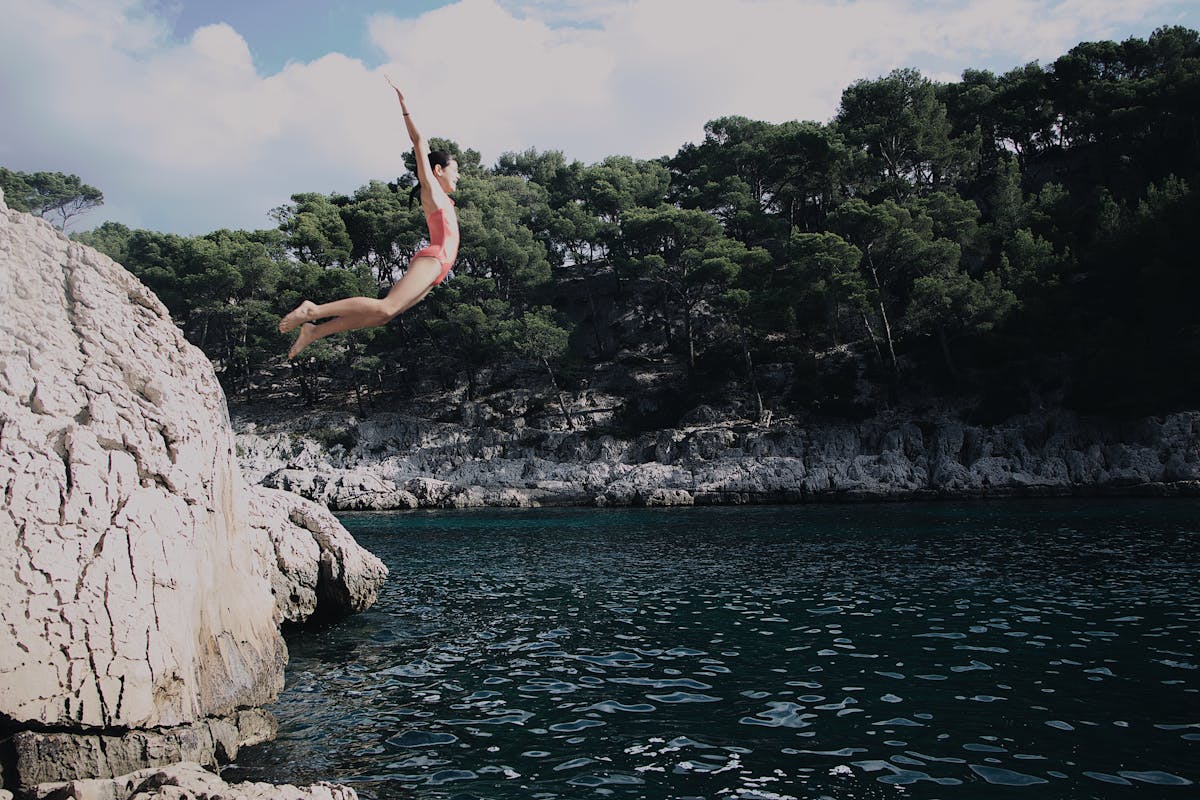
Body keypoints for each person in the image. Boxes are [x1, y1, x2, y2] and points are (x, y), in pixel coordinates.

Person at [279, 76, 460, 359]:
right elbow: (419, 141)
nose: (458, 175)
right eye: (455, 170)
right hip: (435, 258)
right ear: (438, 170)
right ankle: (312, 310)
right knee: (386, 306)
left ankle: (314, 330)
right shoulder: (432, 190)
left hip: (440, 269)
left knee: (381, 316)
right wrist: (405, 104)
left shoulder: (445, 199)